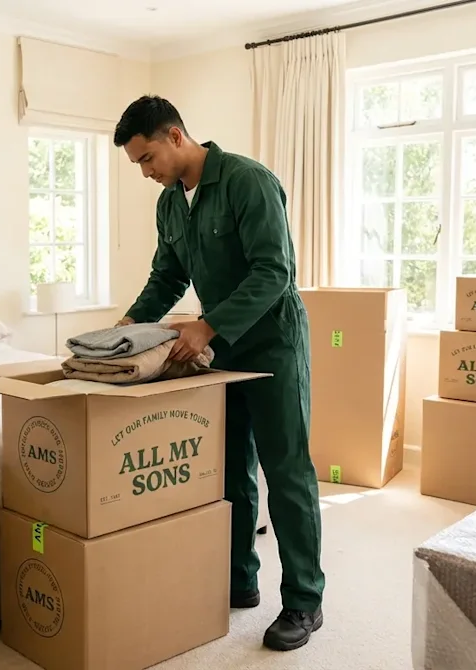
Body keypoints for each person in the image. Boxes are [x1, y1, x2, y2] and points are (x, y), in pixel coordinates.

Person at [112, 95, 325, 652]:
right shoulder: (169, 204)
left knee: (287, 472)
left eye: (147, 157)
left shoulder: (247, 182)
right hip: (221, 352)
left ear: (175, 135)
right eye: (137, 164)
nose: (146, 172)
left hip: (273, 344)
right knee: (228, 472)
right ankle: (238, 580)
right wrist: (127, 327)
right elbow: (167, 277)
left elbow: (274, 271)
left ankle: (305, 601)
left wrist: (206, 326)